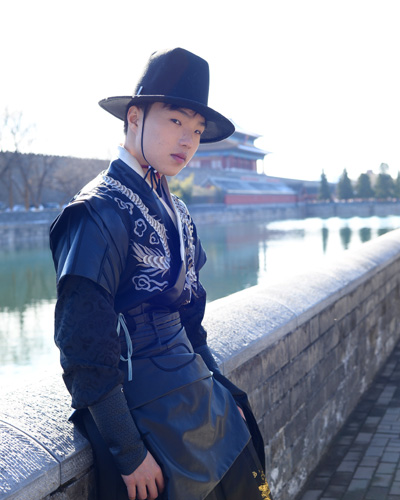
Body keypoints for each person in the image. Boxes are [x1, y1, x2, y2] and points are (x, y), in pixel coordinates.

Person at [50, 47, 272, 500]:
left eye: (197, 130)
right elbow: (81, 343)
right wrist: (129, 450)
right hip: (141, 412)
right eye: (175, 121)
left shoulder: (179, 213)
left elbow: (192, 323)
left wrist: (223, 388)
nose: (188, 140)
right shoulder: (96, 212)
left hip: (197, 395)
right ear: (135, 117)